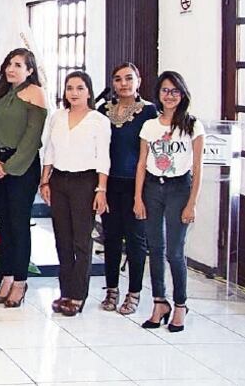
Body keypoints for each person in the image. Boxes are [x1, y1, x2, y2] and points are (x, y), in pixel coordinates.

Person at [134, 71, 204, 333]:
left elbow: (197, 167)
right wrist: (138, 198)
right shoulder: (150, 126)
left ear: (183, 94)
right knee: (155, 248)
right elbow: (141, 164)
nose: (170, 95)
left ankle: (180, 305)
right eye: (165, 90)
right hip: (153, 188)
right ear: (158, 94)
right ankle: (159, 302)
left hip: (179, 189)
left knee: (175, 251)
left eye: (175, 91)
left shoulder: (192, 125)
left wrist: (192, 202)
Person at [40, 71, 111, 316]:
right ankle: (65, 291)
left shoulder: (98, 120)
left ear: (89, 91)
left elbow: (103, 157)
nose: (74, 93)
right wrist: (44, 181)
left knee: (81, 240)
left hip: (85, 182)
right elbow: (49, 149)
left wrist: (101, 189)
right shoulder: (58, 117)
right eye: (70, 88)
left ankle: (78, 295)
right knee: (62, 240)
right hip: (59, 180)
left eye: (80, 88)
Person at [0, 48, 47, 308]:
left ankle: (20, 281)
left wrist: (9, 166)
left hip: (21, 168)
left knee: (19, 226)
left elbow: (32, 138)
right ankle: (7, 277)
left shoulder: (35, 93)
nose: (12, 69)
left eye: (18, 65)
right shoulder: (2, 93)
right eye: (9, 64)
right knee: (5, 226)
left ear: (30, 70)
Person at [98, 62, 157, 315]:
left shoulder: (149, 112)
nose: (123, 83)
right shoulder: (103, 110)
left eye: (128, 78)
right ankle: (111, 289)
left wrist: (142, 193)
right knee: (110, 238)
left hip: (138, 184)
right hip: (109, 183)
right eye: (118, 79)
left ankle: (134, 293)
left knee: (135, 240)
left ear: (138, 81)